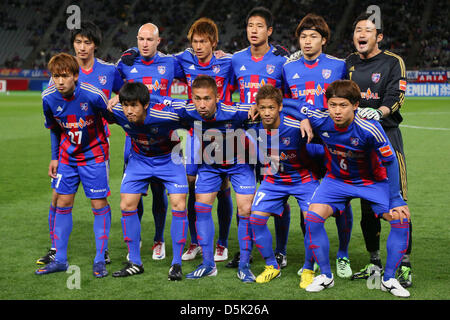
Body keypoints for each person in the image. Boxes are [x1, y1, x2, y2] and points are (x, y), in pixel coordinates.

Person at [118, 18, 236, 262]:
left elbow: (250, 70)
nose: (199, 46)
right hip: (192, 132)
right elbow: (120, 73)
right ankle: (193, 241)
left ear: (214, 42)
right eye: (195, 42)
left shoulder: (228, 61)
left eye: (204, 41)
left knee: (223, 187)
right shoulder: (182, 60)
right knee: (190, 184)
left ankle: (222, 243)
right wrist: (131, 51)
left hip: (221, 132)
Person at [287, 79, 411, 297]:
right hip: (336, 181)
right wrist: (303, 118)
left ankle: (389, 279)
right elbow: (294, 105)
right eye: (332, 105)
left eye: (343, 105)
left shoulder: (370, 128)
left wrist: (395, 197)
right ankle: (326, 276)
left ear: (355, 105)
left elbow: (391, 161)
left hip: (371, 182)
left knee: (401, 219)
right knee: (312, 218)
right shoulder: (321, 119)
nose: (336, 111)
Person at [36, 21, 123, 266]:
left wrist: (116, 102)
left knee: (98, 201)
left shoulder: (107, 72)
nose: (82, 47)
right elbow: (54, 126)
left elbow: (125, 93)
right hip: (68, 150)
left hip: (96, 146)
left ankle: (101, 252)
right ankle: (56, 251)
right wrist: (54, 156)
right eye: (78, 42)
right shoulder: (53, 90)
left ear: (95, 44)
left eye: (87, 42)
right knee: (59, 198)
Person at [282, 13, 354, 282]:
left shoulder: (338, 66)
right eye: (303, 36)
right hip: (303, 146)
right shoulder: (289, 68)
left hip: (333, 144)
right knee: (308, 203)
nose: (307, 41)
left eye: (313, 36)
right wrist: (301, 116)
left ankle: (343, 254)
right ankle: (310, 257)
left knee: (342, 200)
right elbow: (284, 102)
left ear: (323, 40)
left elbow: (348, 99)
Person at [163, 75, 257, 280]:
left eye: (207, 98)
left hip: (239, 165)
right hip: (210, 165)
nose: (202, 104)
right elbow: (158, 99)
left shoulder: (236, 111)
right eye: (197, 98)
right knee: (201, 207)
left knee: (246, 209)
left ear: (217, 97)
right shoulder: (188, 111)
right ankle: (208, 264)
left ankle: (244, 265)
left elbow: (269, 105)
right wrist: (117, 98)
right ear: (192, 98)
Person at [346, 12, 412, 287]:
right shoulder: (348, 63)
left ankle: (404, 265)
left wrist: (379, 111)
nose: (361, 34)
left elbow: (396, 96)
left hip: (387, 137)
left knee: (398, 203)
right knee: (367, 206)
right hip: (360, 143)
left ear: (379, 37)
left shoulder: (393, 62)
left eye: (367, 30)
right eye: (358, 30)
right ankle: (374, 263)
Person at [114, 22, 185, 260]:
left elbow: (194, 72)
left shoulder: (170, 63)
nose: (144, 44)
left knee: (160, 192)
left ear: (158, 42)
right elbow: (116, 88)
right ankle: (137, 238)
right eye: (141, 39)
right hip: (135, 139)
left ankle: (158, 239)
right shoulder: (126, 63)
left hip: (165, 135)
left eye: (149, 40)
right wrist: (116, 98)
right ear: (137, 40)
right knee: (134, 191)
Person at [229, 6, 291, 269]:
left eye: (259, 26)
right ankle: (246, 250)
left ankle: (280, 250)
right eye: (250, 26)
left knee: (275, 193)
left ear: (269, 31)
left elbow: (289, 97)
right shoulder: (235, 59)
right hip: (243, 136)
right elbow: (226, 90)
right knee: (244, 196)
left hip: (271, 137)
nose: (253, 31)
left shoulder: (281, 60)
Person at [107, 82, 188, 281]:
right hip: (139, 160)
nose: (129, 110)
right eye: (125, 105)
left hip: (170, 158)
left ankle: (176, 263)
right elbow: (95, 107)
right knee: (126, 204)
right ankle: (135, 262)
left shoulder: (165, 116)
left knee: (179, 204)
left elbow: (190, 113)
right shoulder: (117, 112)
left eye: (134, 105)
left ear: (145, 105)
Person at [249, 85, 320, 283]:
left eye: (271, 108)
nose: (266, 113)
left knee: (312, 222)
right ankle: (272, 266)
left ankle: (308, 269)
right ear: (257, 108)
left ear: (280, 107)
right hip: (274, 179)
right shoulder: (253, 125)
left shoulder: (297, 126)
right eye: (262, 108)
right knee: (256, 219)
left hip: (303, 178)